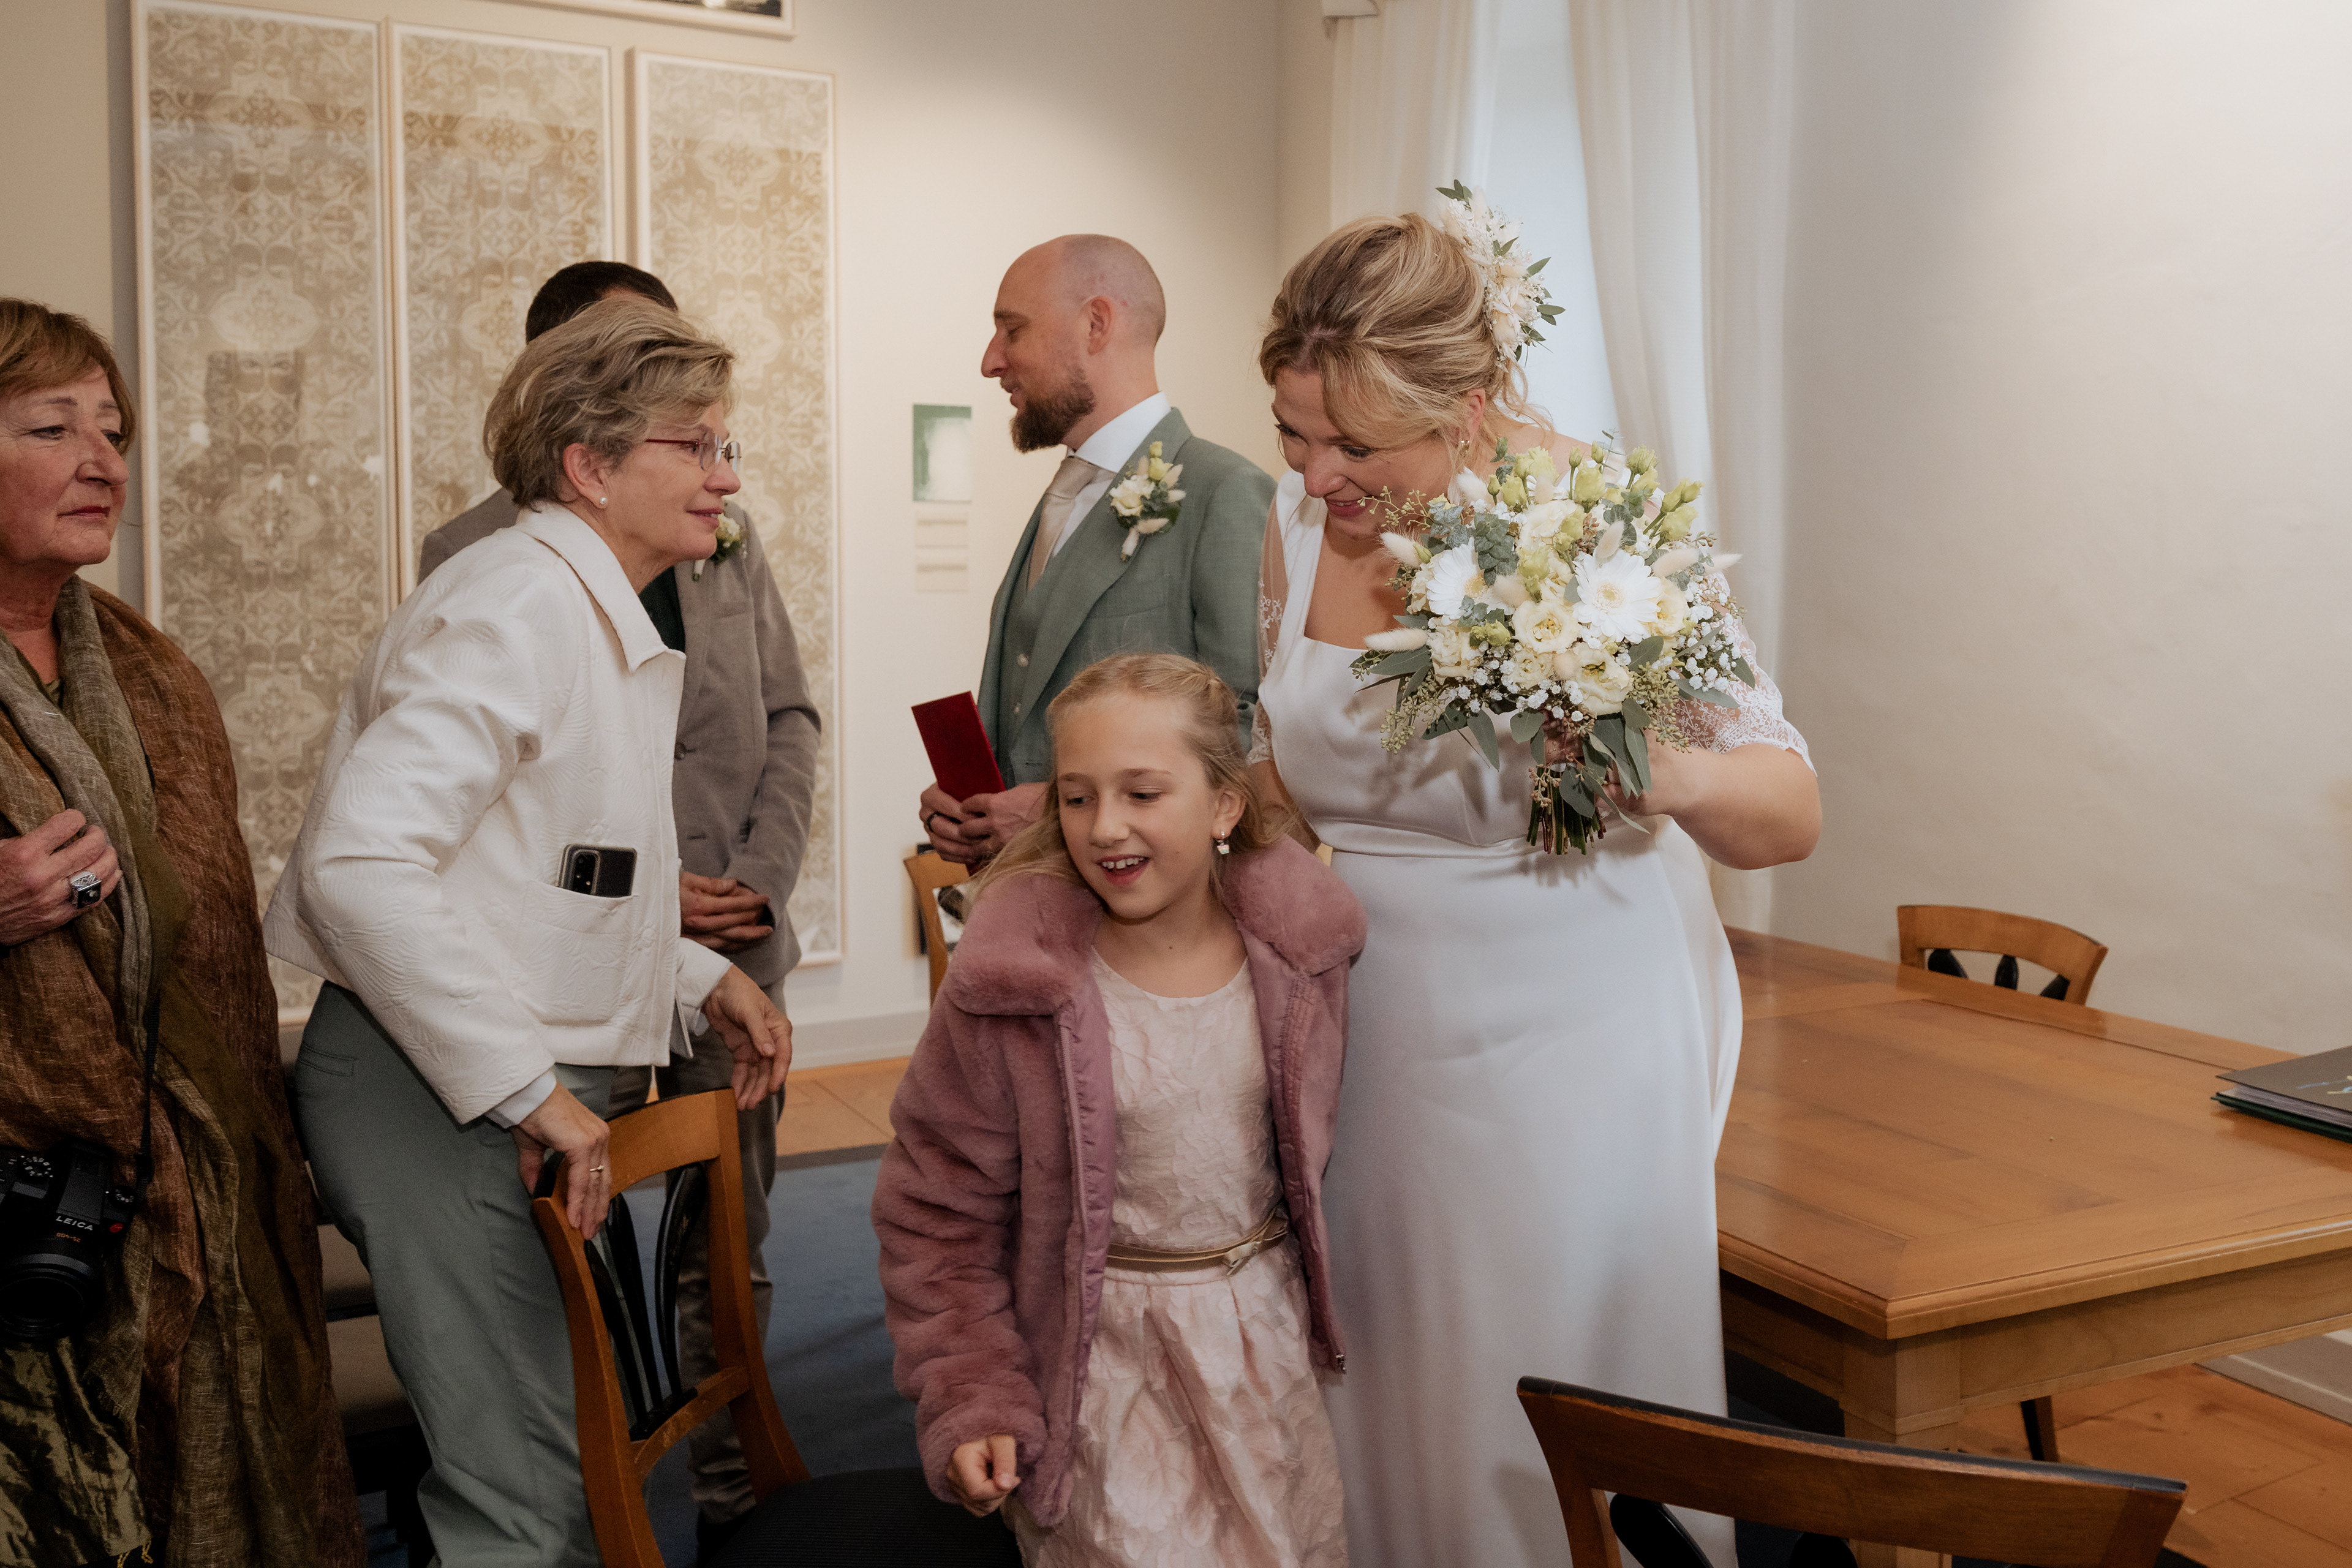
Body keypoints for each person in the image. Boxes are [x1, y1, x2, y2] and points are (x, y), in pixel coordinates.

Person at [1251, 209, 1820, 1568]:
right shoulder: (1294, 521)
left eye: (1355, 446)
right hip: (1368, 1020)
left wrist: (1667, 773)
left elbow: (1789, 808)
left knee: (1533, 1350)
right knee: (1389, 1346)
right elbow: (1293, 777)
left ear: (1462, 406)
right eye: (1293, 433)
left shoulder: (1589, 522)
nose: (1318, 474)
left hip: (1572, 1027)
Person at [265, 297, 793, 1568]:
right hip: (439, 1095)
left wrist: (697, 977)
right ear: (589, 466)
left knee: (553, 1469)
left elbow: (541, 879)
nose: (726, 476)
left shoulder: (577, 600)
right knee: (524, 1496)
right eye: (695, 444)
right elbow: (359, 865)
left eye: (725, 444)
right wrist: (525, 1087)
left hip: (491, 1085)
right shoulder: (518, 605)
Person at [418, 259, 820, 1558]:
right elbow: (451, 827)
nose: (713, 462)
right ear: (568, 409)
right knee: (557, 1246)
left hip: (726, 944)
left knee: (727, 1238)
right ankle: (589, 1493)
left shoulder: (722, 531)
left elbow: (788, 716)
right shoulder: (479, 562)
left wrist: (756, 879)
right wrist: (657, 905)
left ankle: (734, 1497)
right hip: (554, 979)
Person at [0, 300, 363, 1564]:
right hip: (26, 1207)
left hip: (194, 1177)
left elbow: (209, 940)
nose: (102, 459)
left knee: (219, 1477)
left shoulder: (152, 670)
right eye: (53, 427)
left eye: (114, 430)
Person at [875, 654, 1364, 1567]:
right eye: (1076, 797)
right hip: (1100, 1373)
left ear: (1224, 805)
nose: (1105, 827)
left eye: (1143, 793)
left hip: (1263, 1361)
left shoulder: (1302, 960)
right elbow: (935, 1212)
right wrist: (972, 1394)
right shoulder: (1015, 987)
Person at [920, 236, 1274, 867]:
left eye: (1013, 329)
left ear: (1096, 324)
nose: (991, 361)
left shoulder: (1224, 491)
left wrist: (1060, 810)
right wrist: (971, 809)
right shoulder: (1064, 494)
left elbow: (1248, 728)